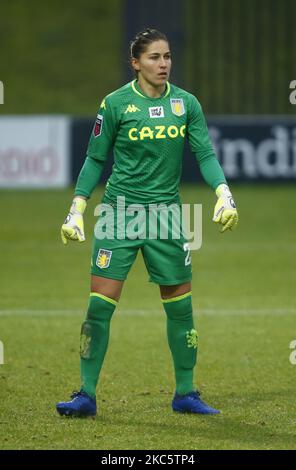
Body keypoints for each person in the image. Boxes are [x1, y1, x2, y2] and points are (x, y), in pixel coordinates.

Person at [56, 28, 238, 418]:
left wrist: (223, 192)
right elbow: (94, 158)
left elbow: (205, 154)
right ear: (135, 63)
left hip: (168, 219)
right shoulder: (116, 103)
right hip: (119, 216)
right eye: (154, 57)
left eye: (167, 56)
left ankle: (186, 393)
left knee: (181, 310)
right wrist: (78, 207)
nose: (163, 64)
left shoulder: (186, 104)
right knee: (99, 309)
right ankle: (85, 394)